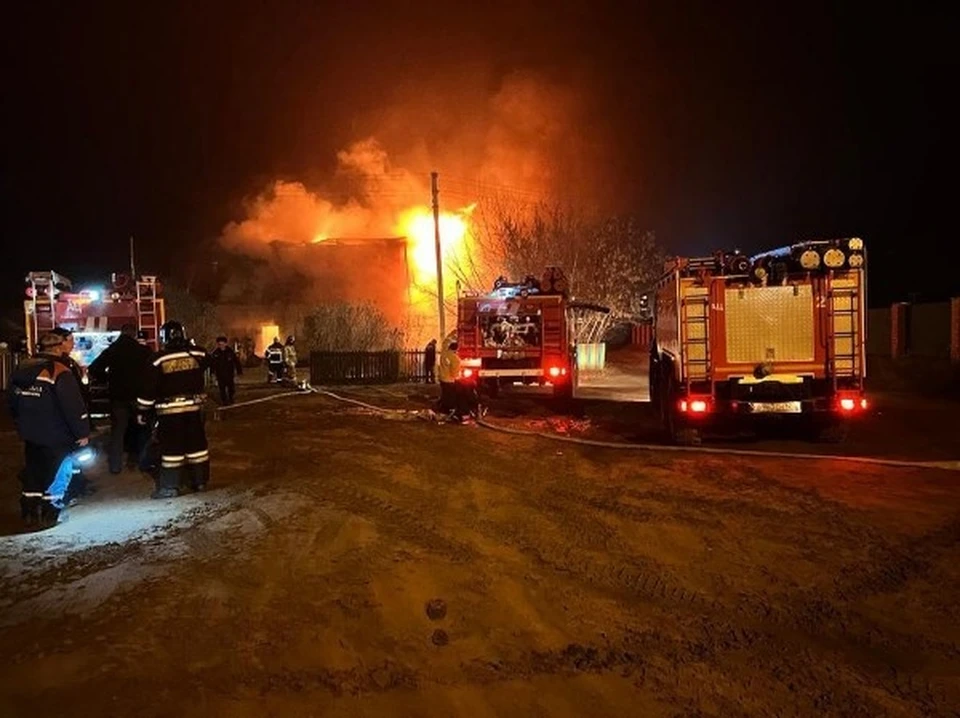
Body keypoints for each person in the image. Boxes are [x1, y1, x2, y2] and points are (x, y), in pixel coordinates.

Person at [7, 332, 91, 528]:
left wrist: (21, 424)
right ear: (58, 347)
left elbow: (11, 401)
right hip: (57, 433)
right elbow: (72, 406)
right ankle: (49, 512)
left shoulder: (22, 368)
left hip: (30, 432)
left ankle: (28, 509)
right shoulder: (59, 371)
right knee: (59, 470)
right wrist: (82, 432)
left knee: (34, 470)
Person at [137, 320, 210, 498]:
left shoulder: (157, 359)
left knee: (171, 451)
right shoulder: (197, 353)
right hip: (194, 409)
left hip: (169, 412)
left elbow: (149, 389)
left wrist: (142, 411)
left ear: (163, 338)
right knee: (197, 447)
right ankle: (199, 482)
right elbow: (207, 362)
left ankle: (170, 487)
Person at [88, 324, 152, 474]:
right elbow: (152, 371)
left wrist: (108, 379)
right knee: (143, 429)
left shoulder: (112, 350)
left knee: (118, 432)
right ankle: (143, 462)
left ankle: (115, 465)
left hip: (118, 397)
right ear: (135, 335)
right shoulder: (143, 351)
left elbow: (94, 368)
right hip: (139, 396)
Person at [210, 336, 243, 405]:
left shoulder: (230, 352)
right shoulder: (216, 353)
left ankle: (231, 398)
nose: (221, 346)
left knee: (231, 387)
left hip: (229, 374)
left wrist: (239, 371)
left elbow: (236, 362)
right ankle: (224, 400)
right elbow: (212, 364)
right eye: (219, 344)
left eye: (222, 344)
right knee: (222, 388)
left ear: (225, 344)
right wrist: (212, 373)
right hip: (220, 374)